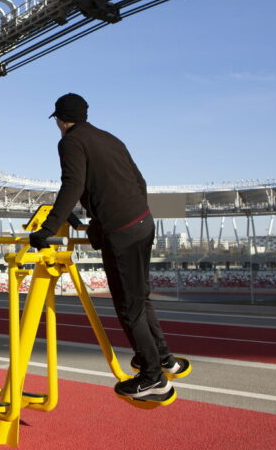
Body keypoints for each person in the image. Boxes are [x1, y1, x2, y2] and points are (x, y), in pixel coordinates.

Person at [28, 93, 189, 402]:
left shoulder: (70, 142)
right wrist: (99, 222)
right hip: (143, 221)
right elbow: (139, 183)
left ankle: (153, 379)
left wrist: (47, 229)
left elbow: (72, 185)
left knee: (129, 308)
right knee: (140, 297)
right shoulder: (111, 139)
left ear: (60, 121)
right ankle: (162, 359)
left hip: (123, 232)